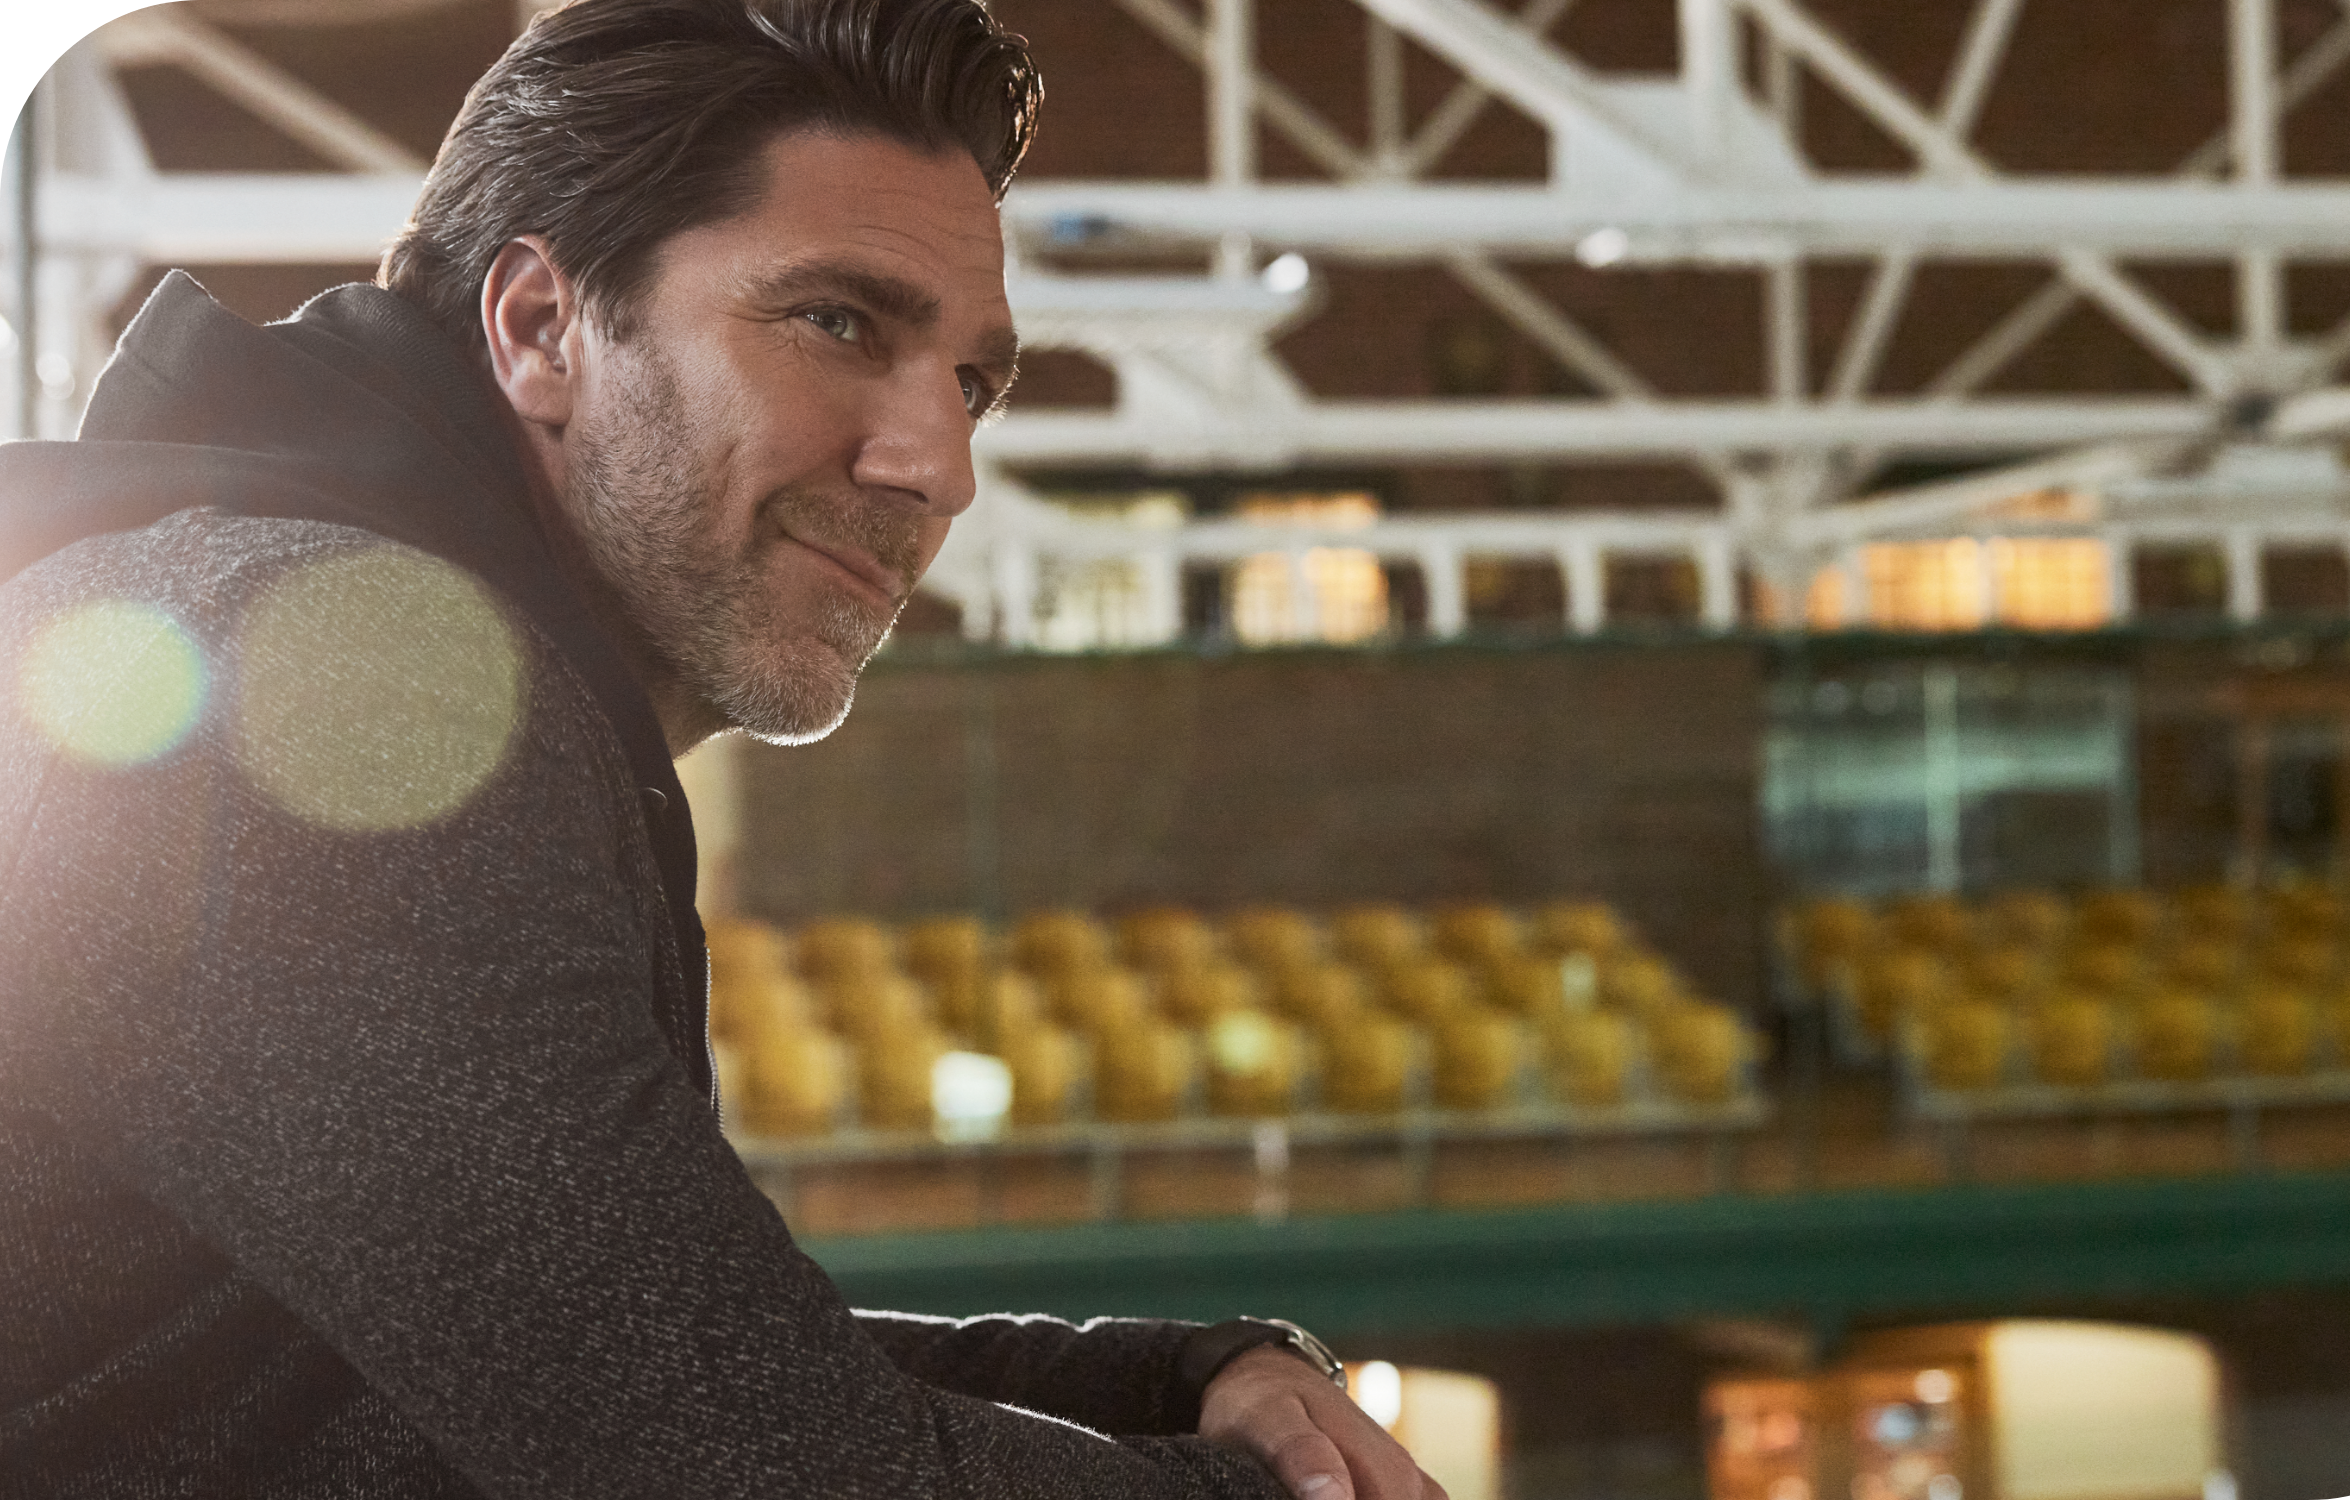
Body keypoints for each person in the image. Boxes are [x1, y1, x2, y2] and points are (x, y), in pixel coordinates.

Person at [0, 2, 1443, 1496]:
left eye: (973, 385)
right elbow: (753, 1468)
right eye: (839, 323)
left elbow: (627, 1369)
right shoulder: (326, 689)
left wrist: (1179, 1385)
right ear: (540, 328)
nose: (938, 468)